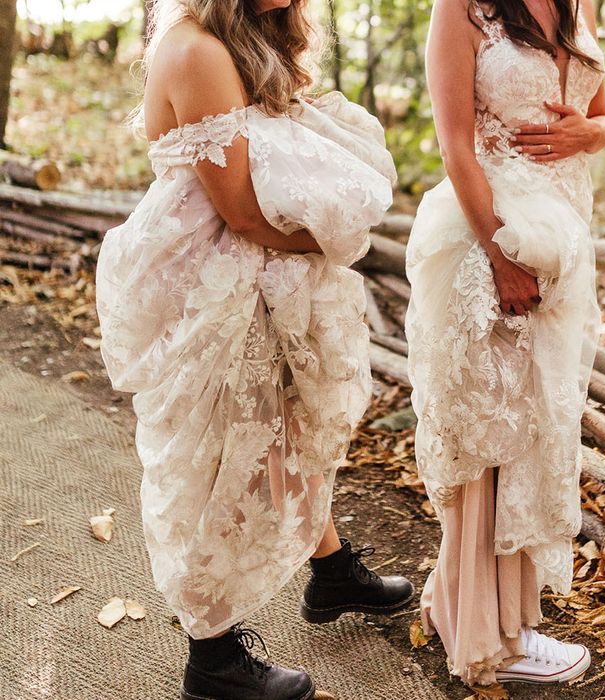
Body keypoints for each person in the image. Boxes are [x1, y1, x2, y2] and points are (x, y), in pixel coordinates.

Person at [95, 1, 413, 699]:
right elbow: (240, 210)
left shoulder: (250, 32)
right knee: (210, 458)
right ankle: (210, 660)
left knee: (285, 426)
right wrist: (338, 240)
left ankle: (330, 574)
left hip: (252, 270)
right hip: (207, 277)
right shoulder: (197, 49)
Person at [405, 0, 605, 688]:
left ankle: (474, 607)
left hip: (562, 236)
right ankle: (487, 637)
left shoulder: (575, 3)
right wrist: (501, 255)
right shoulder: (462, 8)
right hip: (488, 233)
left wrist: (588, 135)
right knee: (489, 434)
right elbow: (455, 144)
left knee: (530, 429)